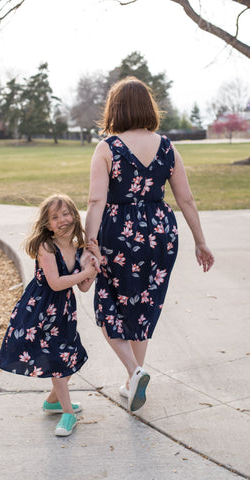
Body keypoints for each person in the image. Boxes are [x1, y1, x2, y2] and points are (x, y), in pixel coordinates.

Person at [85, 76, 214, 413]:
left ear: (115, 108)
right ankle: (133, 383)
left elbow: (96, 201)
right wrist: (201, 242)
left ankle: (134, 372)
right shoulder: (168, 146)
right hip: (160, 233)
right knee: (143, 307)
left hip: (119, 234)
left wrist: (90, 242)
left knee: (108, 307)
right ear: (148, 106)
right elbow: (185, 199)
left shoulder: (107, 148)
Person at [0, 194, 99, 437]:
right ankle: (67, 413)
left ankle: (53, 402)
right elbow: (55, 283)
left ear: (75, 215)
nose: (63, 220)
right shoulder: (46, 247)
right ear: (47, 225)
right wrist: (84, 271)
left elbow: (83, 287)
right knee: (57, 361)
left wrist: (92, 268)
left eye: (66, 214)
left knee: (71, 357)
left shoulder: (77, 250)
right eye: (55, 217)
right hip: (40, 312)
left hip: (63, 313)